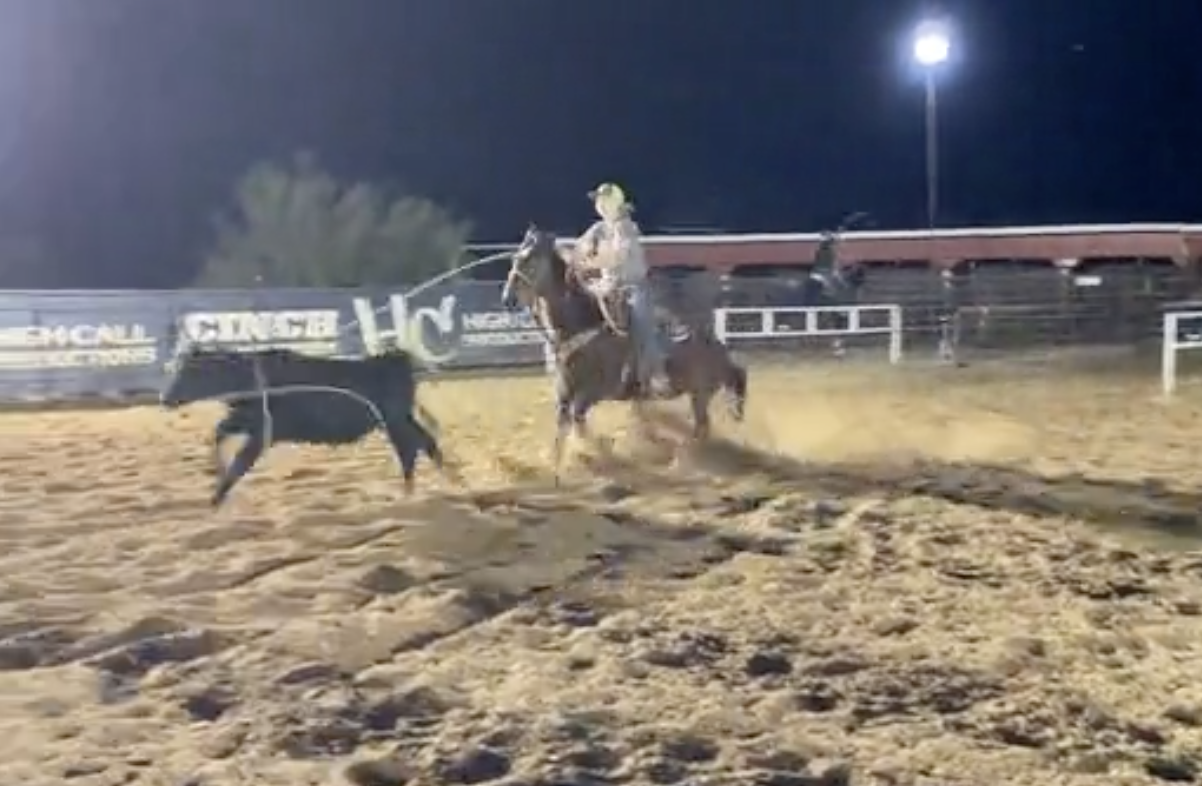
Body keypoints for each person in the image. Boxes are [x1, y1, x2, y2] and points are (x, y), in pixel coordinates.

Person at [572, 182, 668, 393]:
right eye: (598, 201)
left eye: (602, 200)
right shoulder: (598, 229)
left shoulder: (626, 227)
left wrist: (591, 263)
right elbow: (580, 249)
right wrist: (575, 256)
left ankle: (656, 372)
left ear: (613, 202)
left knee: (642, 324)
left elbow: (618, 256)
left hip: (633, 287)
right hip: (605, 286)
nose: (599, 205)